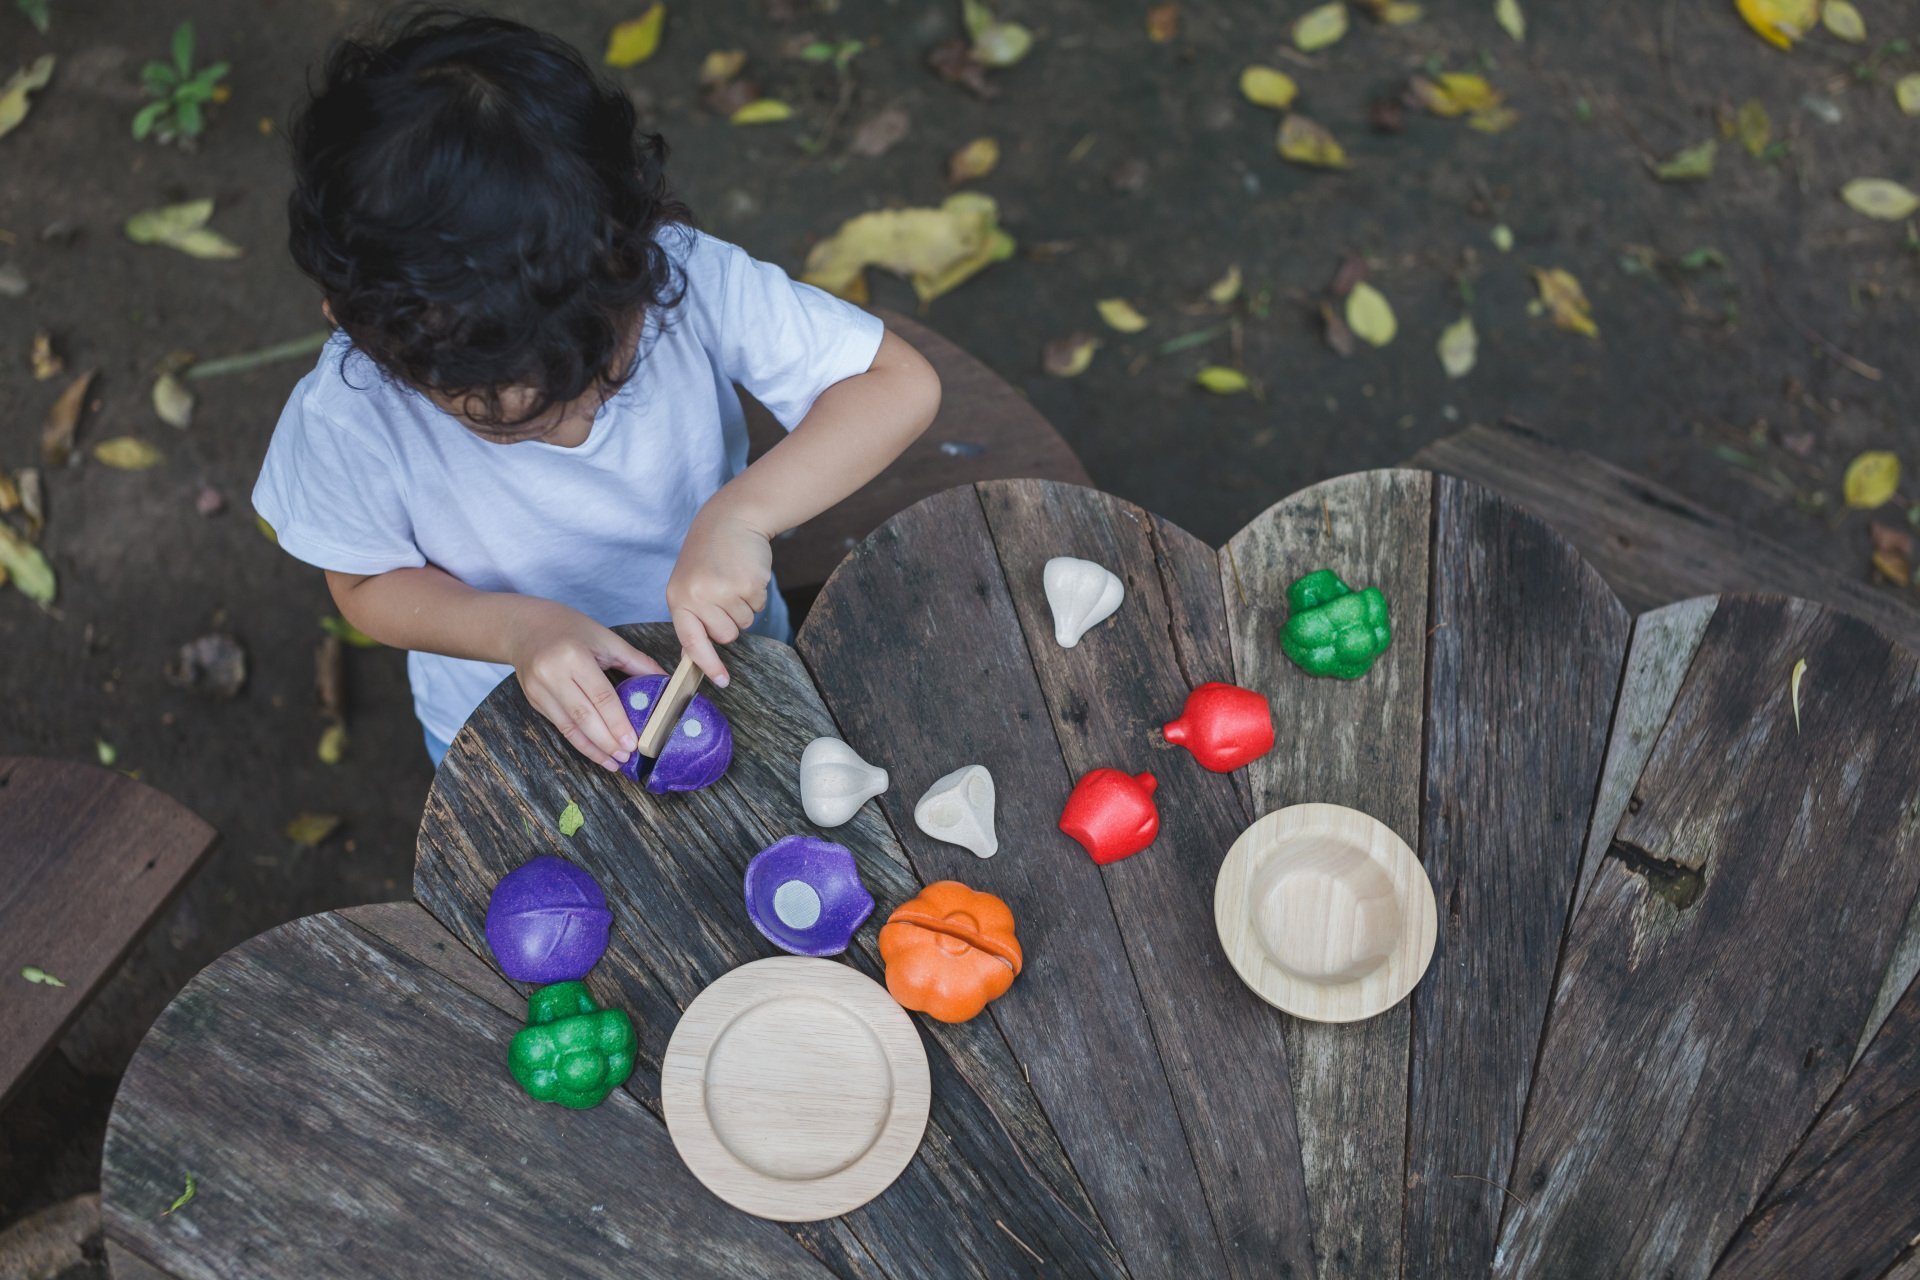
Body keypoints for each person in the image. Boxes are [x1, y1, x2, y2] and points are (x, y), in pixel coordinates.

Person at [253, 11, 940, 770]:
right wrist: (518, 630)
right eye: (504, 416)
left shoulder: (683, 273)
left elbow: (896, 384)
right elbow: (363, 581)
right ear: (361, 328)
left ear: (634, 241)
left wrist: (742, 516)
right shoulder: (347, 420)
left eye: (601, 374)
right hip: (505, 712)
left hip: (730, 657)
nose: (572, 420)